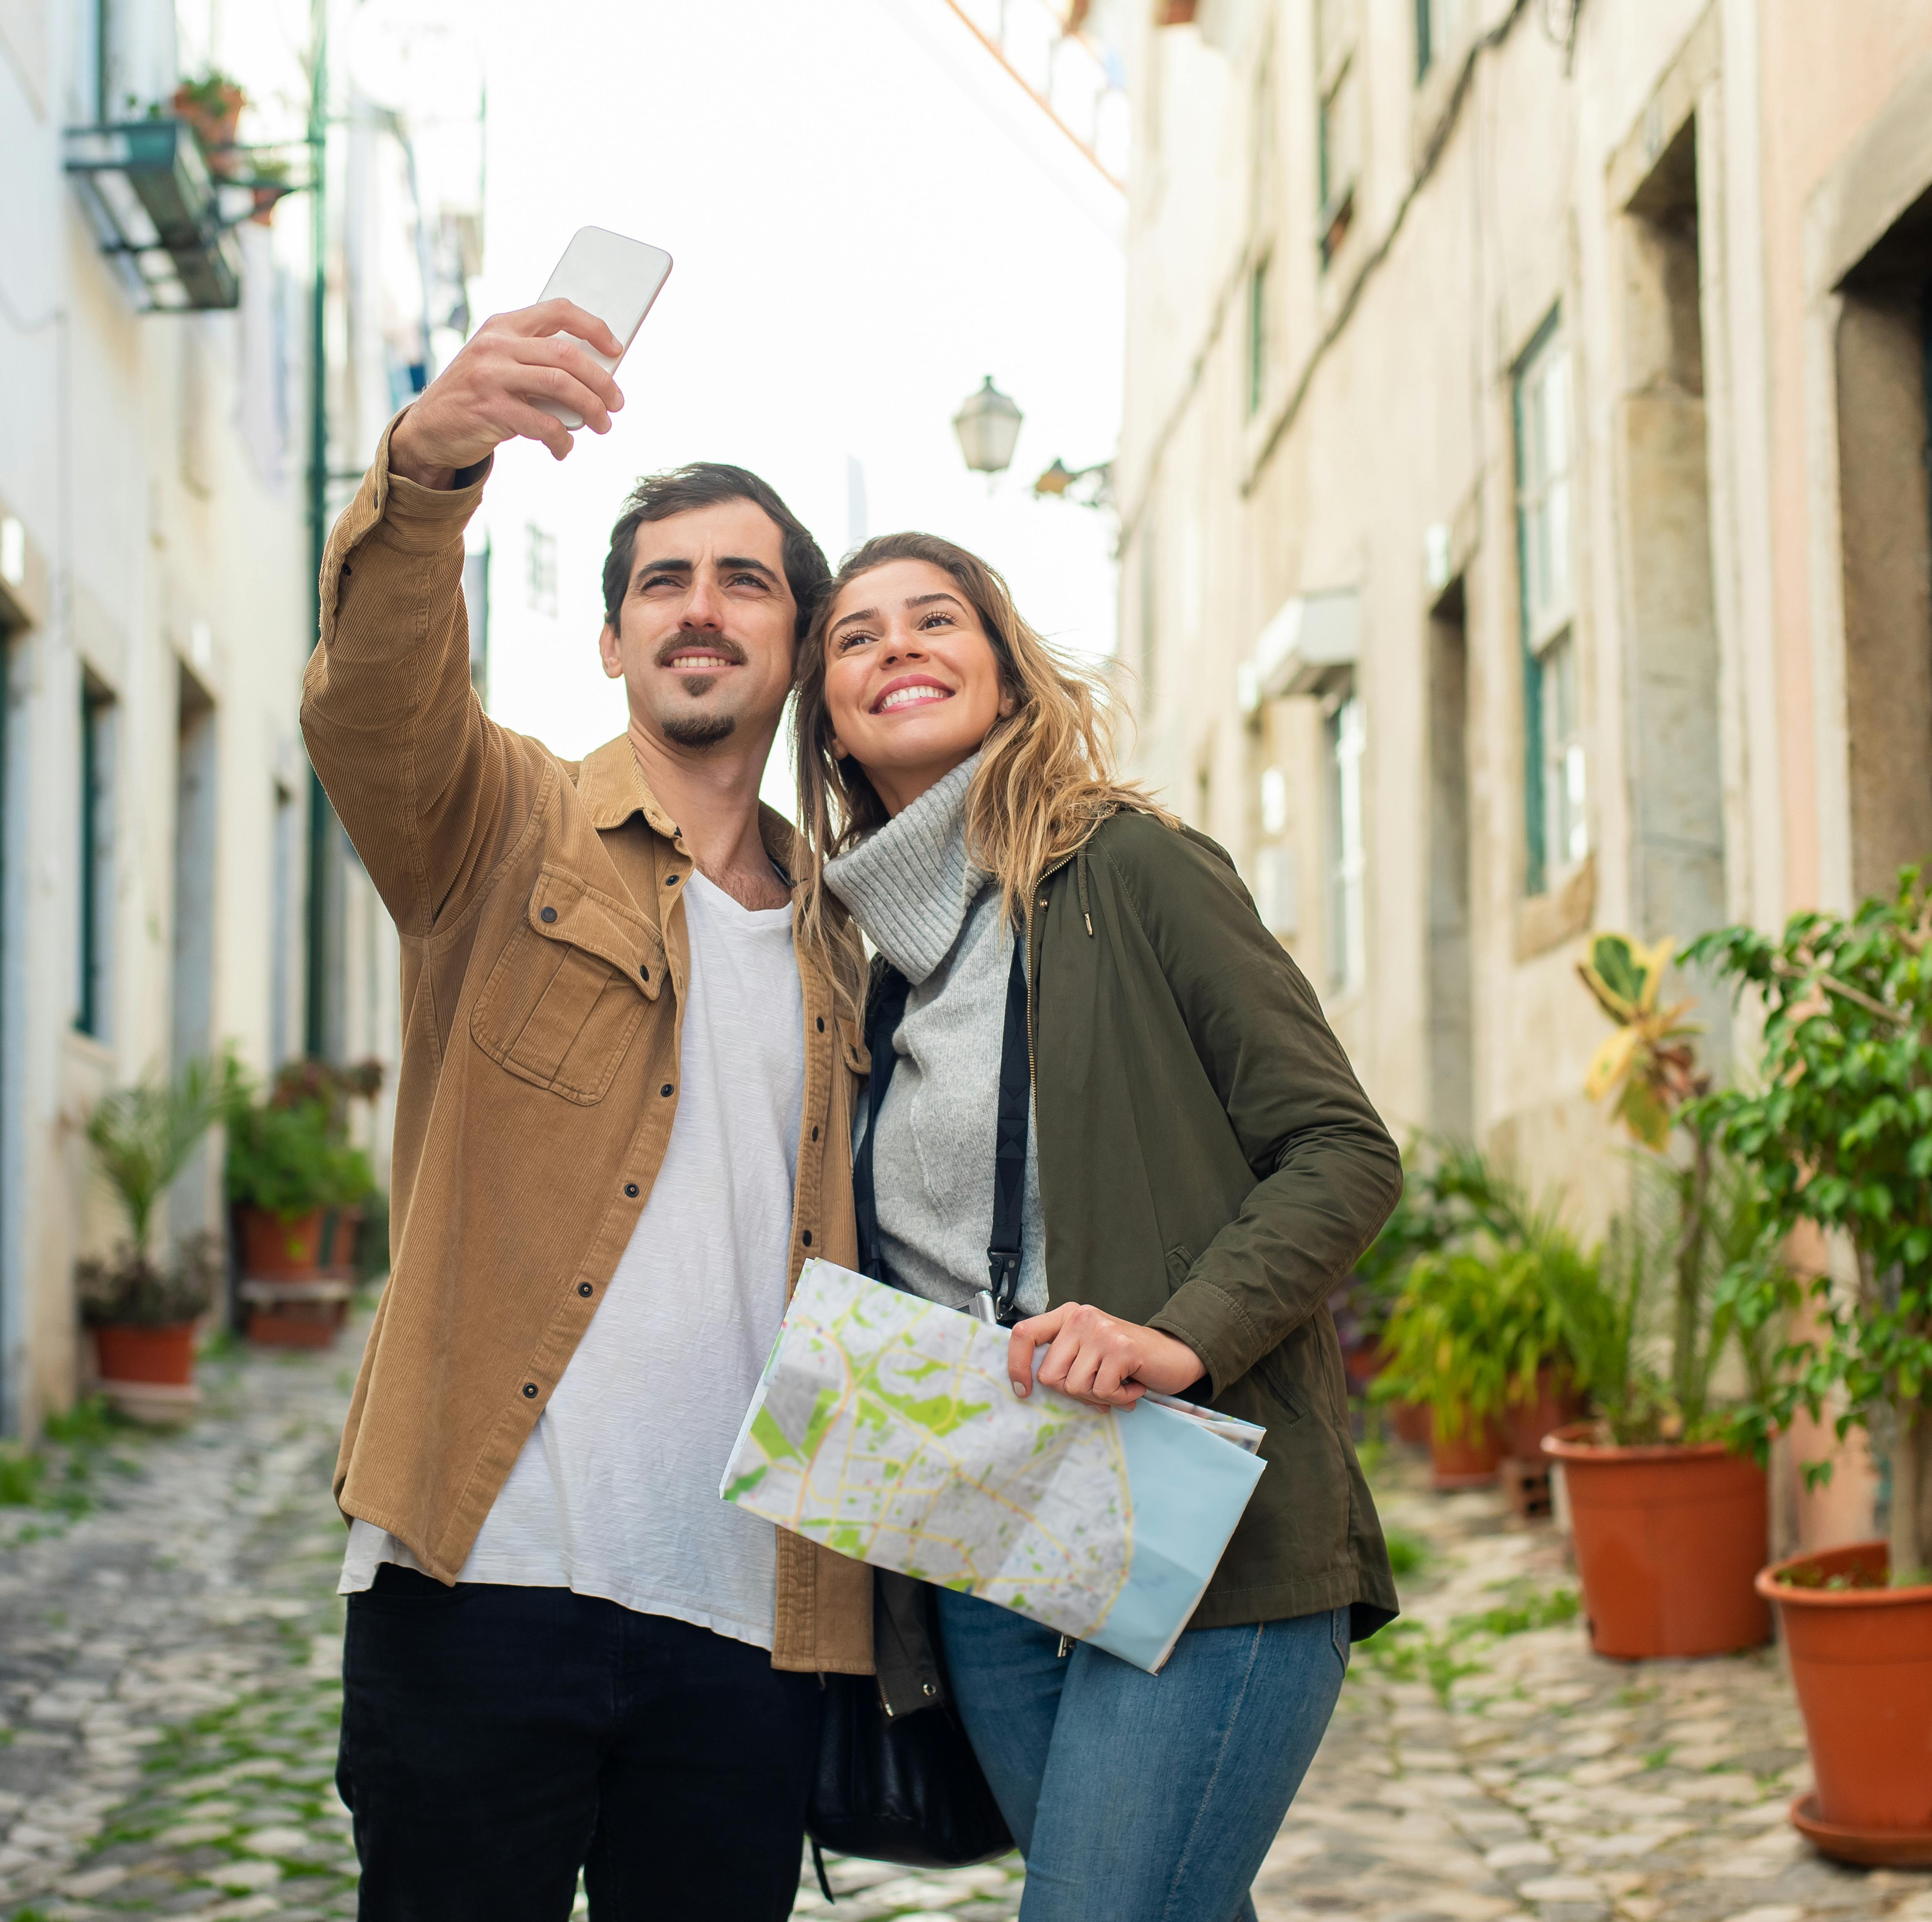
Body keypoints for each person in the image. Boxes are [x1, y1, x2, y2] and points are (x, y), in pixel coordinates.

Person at [301, 299, 873, 1921]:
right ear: (610, 639)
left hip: (751, 1607)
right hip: (482, 1575)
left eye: (742, 579)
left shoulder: (860, 930)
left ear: (797, 640)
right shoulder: (497, 827)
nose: (699, 610)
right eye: (660, 583)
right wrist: (424, 473)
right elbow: (369, 703)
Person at [790, 530, 1404, 1921]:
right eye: (857, 636)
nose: (898, 648)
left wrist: (1179, 1336)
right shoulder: (868, 968)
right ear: (825, 716)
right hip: (987, 1540)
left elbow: (1342, 1149)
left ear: (1003, 671)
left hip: (1206, 1524)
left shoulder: (1132, 869)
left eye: (936, 618)